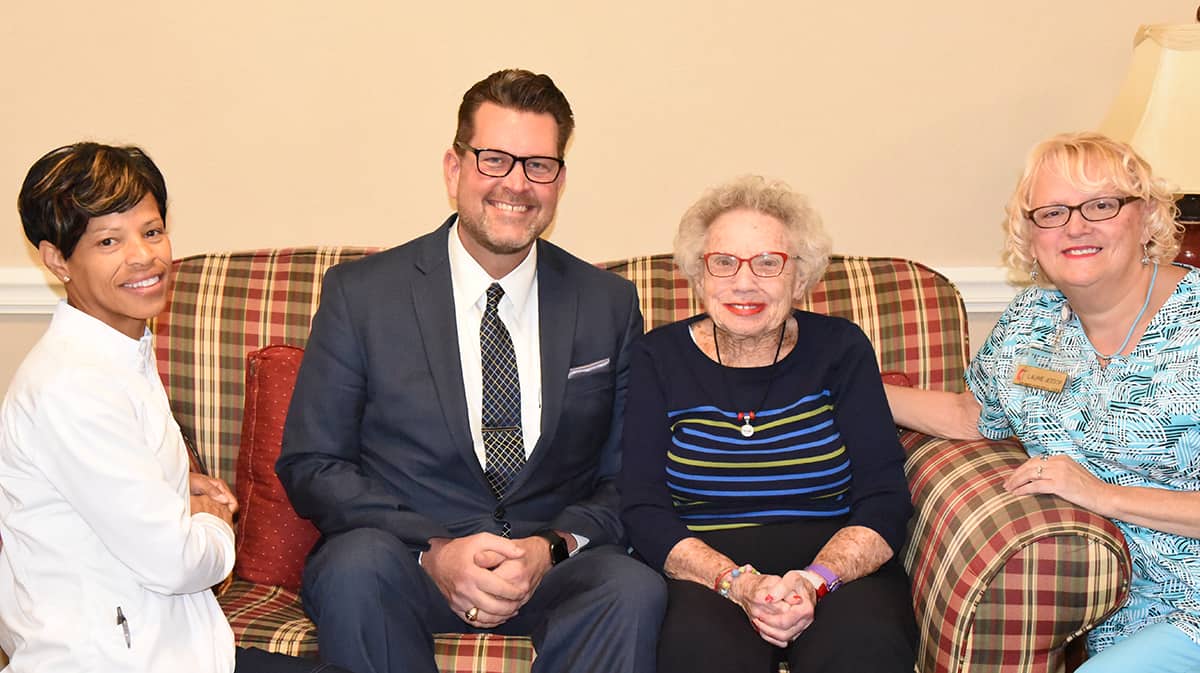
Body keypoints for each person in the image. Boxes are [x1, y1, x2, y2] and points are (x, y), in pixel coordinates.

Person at [276, 69, 666, 673]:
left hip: (551, 567)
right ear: (454, 168)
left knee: (633, 589)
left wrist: (550, 548)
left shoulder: (607, 303)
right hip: (402, 561)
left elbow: (625, 476)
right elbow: (313, 463)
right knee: (353, 571)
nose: (517, 184)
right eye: (494, 160)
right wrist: (435, 550)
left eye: (539, 165)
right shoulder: (363, 295)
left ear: (560, 180)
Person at [0, 142, 350, 673]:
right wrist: (216, 522)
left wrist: (174, 486)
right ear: (56, 259)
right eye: (109, 241)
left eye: (152, 231)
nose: (143, 256)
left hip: (170, 647)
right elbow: (179, 563)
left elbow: (105, 488)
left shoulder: (120, 351)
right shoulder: (72, 385)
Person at [885, 131, 1200, 673]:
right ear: (1029, 236)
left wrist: (1104, 495)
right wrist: (849, 388)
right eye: (1051, 212)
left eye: (1101, 205)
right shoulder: (1030, 322)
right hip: (1115, 606)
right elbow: (972, 415)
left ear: (1146, 216)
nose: (1076, 226)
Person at [619, 175, 917, 673]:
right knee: (701, 654)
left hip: (837, 567)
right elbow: (643, 506)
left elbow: (884, 495)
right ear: (699, 276)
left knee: (863, 648)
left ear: (799, 277)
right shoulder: (658, 357)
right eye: (723, 262)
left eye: (767, 263)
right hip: (707, 573)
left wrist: (815, 580)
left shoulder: (840, 349)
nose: (744, 282)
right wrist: (737, 583)